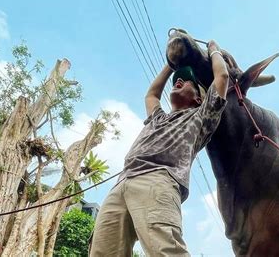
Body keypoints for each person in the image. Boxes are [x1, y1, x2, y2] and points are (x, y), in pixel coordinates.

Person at [89, 40, 229, 256]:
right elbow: (151, 95)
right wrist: (170, 64)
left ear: (199, 98)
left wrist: (213, 50)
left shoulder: (201, 116)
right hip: (122, 184)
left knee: (165, 251)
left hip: (158, 180)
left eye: (186, 81)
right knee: (102, 252)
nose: (179, 81)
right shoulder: (158, 118)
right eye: (177, 79)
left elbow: (222, 77)